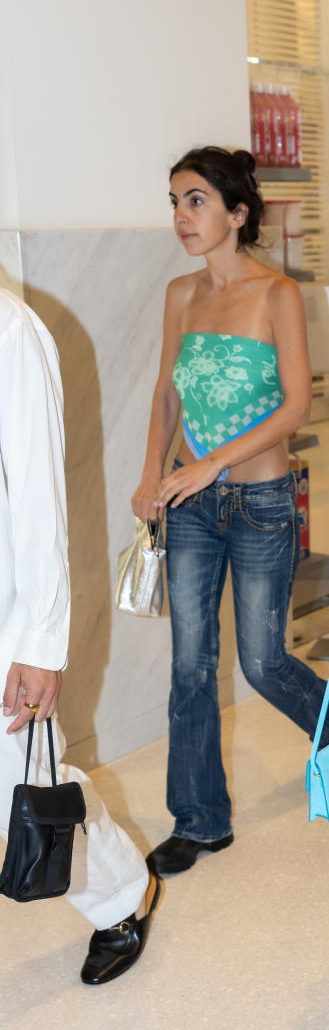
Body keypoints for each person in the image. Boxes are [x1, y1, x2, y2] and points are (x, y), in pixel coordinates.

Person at [131, 146, 329, 877]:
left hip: (261, 500)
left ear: (237, 214)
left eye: (195, 201)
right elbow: (168, 394)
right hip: (192, 504)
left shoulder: (276, 295)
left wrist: (212, 463)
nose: (180, 217)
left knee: (262, 663)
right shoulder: (180, 296)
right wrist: (151, 473)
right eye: (174, 201)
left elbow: (296, 404)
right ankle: (199, 819)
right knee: (191, 666)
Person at [0, 288, 160, 984]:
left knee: (26, 783)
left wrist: (40, 637)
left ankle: (123, 893)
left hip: (6, 612)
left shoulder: (10, 328)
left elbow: (38, 495)